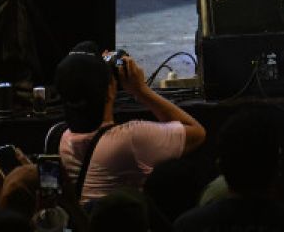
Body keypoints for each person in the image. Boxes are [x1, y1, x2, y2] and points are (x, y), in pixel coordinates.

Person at [55, 43, 206, 208]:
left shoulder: (63, 138)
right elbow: (197, 133)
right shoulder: (130, 139)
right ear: (110, 90)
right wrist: (141, 90)